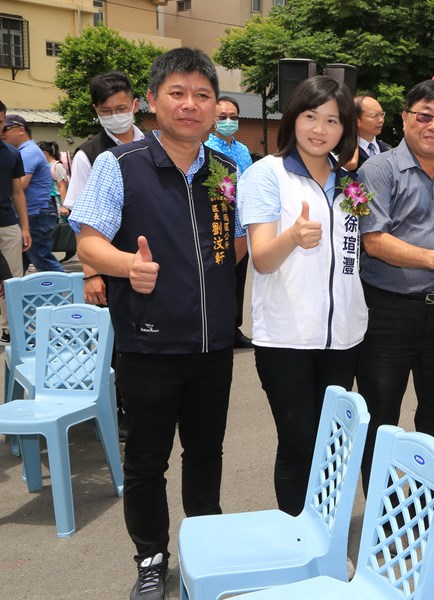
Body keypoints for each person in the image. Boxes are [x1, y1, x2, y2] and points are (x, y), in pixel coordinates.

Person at [68, 48, 246, 600]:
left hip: (213, 347)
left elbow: (232, 246)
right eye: (178, 93)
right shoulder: (118, 165)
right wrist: (128, 267)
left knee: (207, 453)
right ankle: (151, 557)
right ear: (152, 101)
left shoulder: (225, 170)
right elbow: (88, 240)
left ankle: (204, 550)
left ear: (216, 106)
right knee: (147, 461)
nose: (190, 105)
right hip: (147, 345)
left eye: (202, 95)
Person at [237, 76, 365, 516]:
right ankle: (298, 542)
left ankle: (325, 535)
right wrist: (292, 236)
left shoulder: (350, 182)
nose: (320, 129)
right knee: (297, 443)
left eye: (332, 120)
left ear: (344, 128)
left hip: (342, 338)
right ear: (293, 118)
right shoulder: (265, 175)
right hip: (286, 338)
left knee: (331, 441)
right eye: (311, 116)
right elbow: (262, 260)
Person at [356, 79, 434, 493]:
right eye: (424, 115)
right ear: (404, 118)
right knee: (382, 413)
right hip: (389, 310)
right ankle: (382, 517)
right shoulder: (378, 171)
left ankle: (427, 504)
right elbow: (374, 239)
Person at [65, 71, 145, 307]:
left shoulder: (153, 145)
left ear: (135, 105)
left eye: (121, 109)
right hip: (111, 265)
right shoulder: (88, 154)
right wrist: (91, 273)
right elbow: (80, 220)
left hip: (151, 259)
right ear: (96, 111)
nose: (115, 116)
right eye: (106, 112)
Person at [205, 95, 254, 349]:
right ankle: (216, 327)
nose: (228, 121)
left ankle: (234, 328)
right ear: (213, 119)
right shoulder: (206, 148)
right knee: (218, 276)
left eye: (233, 117)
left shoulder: (243, 149)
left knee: (238, 276)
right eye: (222, 117)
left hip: (242, 224)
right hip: (218, 222)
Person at [1, 114, 62, 273]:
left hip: (35, 213)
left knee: (42, 259)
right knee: (18, 263)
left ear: (21, 129)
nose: (3, 132)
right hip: (33, 213)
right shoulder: (23, 151)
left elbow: (20, 184)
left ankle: (64, 294)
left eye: (6, 127)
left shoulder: (27, 152)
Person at [0, 100, 31, 343]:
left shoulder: (11, 154)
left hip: (7, 226)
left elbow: (18, 192)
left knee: (11, 282)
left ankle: (9, 329)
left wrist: (25, 227)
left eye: (0, 122)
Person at [355, 95, 390, 168]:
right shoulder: (343, 151)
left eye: (382, 114)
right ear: (356, 120)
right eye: (374, 115)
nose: (381, 120)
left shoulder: (388, 149)